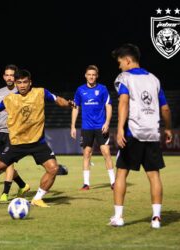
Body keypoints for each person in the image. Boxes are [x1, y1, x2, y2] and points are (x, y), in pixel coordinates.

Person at [0, 69, 75, 208]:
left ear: (30, 82)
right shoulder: (10, 99)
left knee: (53, 168)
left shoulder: (40, 92)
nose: (22, 85)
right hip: (17, 142)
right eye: (19, 82)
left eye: (25, 82)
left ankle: (37, 198)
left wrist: (67, 103)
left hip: (37, 142)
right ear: (16, 83)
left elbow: (57, 99)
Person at [109, 43, 172, 228]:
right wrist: (168, 128)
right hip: (152, 133)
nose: (119, 66)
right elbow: (165, 108)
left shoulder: (125, 77)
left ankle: (118, 217)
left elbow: (123, 102)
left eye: (120, 62)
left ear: (128, 60)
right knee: (154, 176)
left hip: (133, 133)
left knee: (121, 173)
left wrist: (120, 128)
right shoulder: (154, 79)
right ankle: (156, 218)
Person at [0, 64, 30, 202]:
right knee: (3, 164)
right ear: (3, 77)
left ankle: (5, 193)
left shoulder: (21, 92)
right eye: (7, 75)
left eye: (12, 75)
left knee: (8, 163)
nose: (9, 77)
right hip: (0, 132)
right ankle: (23, 185)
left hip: (14, 132)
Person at [71, 65, 115, 190]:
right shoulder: (80, 90)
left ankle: (113, 182)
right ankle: (86, 184)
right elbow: (76, 107)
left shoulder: (103, 89)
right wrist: (73, 126)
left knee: (106, 152)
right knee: (87, 154)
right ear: (85, 75)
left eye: (93, 75)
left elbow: (109, 106)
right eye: (89, 74)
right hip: (86, 127)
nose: (91, 77)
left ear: (97, 76)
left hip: (101, 127)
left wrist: (107, 123)